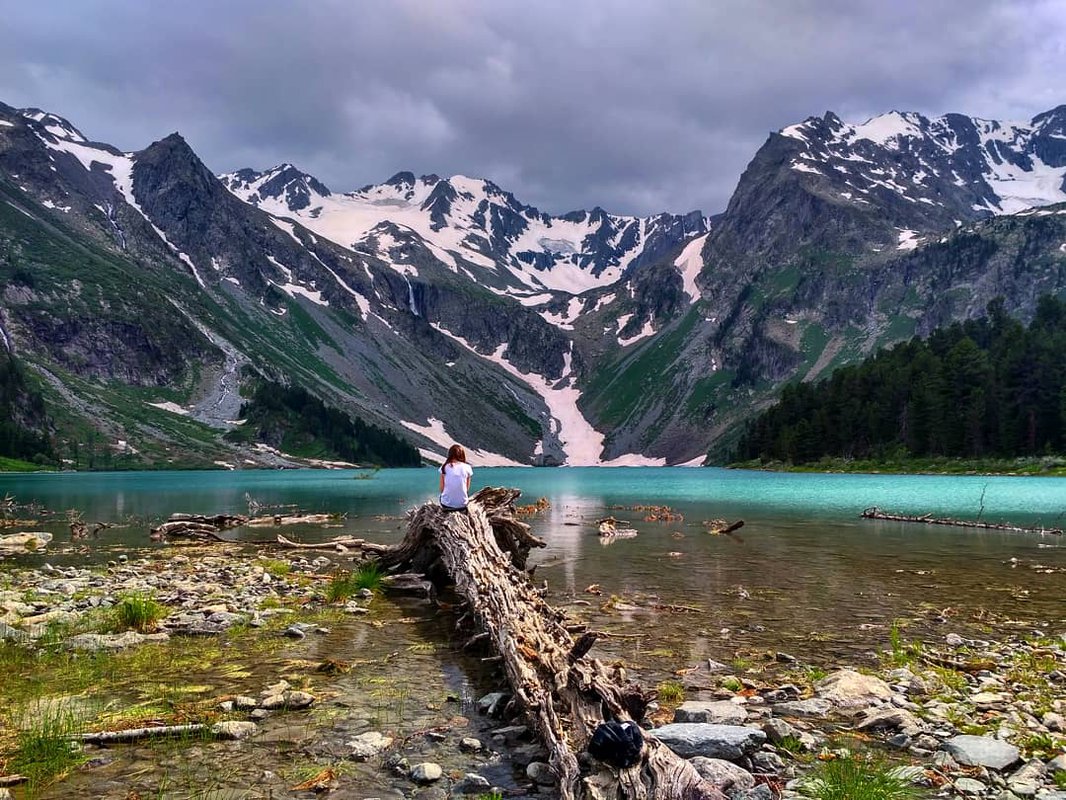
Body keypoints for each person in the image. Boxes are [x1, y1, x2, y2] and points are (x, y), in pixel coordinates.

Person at [439, 444, 473, 511]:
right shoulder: (467, 467)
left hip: (447, 505)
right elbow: (466, 489)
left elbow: (442, 489)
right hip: (462, 504)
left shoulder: (444, 467)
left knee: (441, 497)